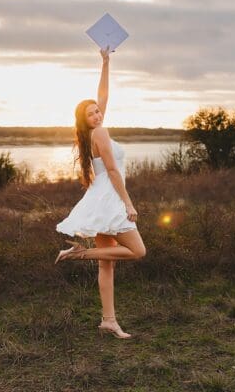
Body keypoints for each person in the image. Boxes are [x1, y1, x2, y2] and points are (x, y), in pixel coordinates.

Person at [54, 46, 147, 339]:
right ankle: (80, 254)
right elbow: (114, 172)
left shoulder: (90, 134)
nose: (97, 114)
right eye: (92, 113)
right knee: (138, 251)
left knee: (107, 264)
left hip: (101, 197)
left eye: (97, 111)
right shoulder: (101, 133)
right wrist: (128, 204)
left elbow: (102, 96)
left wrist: (105, 63)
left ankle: (109, 320)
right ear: (86, 120)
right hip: (110, 198)